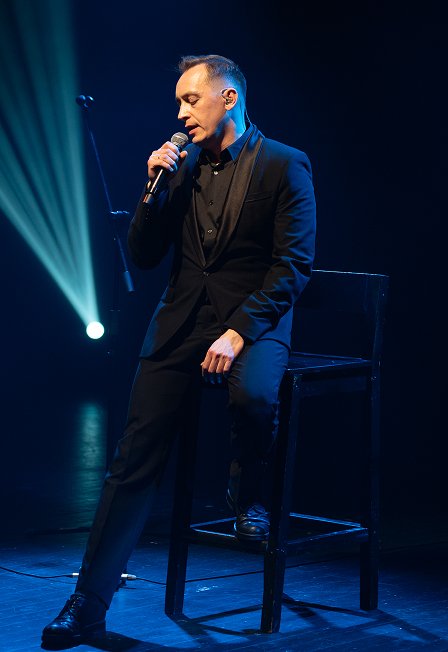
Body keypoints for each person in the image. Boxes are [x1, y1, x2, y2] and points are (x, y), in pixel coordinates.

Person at [42, 53, 316, 648]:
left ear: (228, 98)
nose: (181, 113)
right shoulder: (181, 166)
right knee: (133, 457)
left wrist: (239, 331)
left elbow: (293, 265)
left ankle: (246, 491)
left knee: (255, 396)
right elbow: (143, 256)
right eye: (178, 103)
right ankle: (88, 602)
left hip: (254, 320)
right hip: (181, 322)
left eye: (191, 100)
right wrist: (152, 190)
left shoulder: (283, 164)